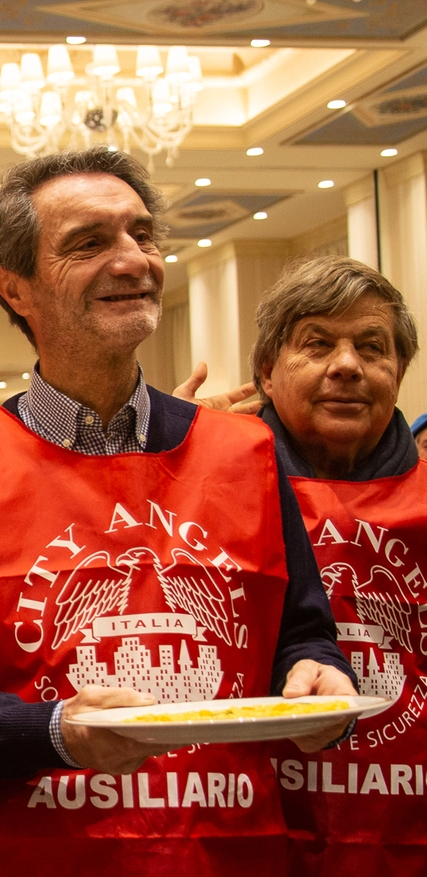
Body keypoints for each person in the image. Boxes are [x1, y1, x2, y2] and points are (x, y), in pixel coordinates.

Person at [0, 147, 357, 877]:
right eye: (89, 243)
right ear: (14, 288)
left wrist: (316, 670)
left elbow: (304, 633)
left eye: (142, 234)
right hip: (35, 857)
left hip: (229, 852)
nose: (134, 260)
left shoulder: (247, 452)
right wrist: (56, 730)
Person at [246, 256, 425, 874]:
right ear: (267, 372)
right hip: (246, 838)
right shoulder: (203, 500)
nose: (346, 365)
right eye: (317, 344)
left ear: (399, 370)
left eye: (372, 347)